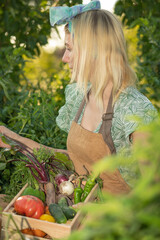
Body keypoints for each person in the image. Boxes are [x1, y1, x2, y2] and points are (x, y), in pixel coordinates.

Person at [0, 1, 157, 194]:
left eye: (70, 48)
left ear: (94, 51)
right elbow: (75, 162)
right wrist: (13, 139)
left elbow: (153, 192)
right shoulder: (79, 96)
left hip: (120, 220)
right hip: (79, 212)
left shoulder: (135, 109)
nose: (65, 57)